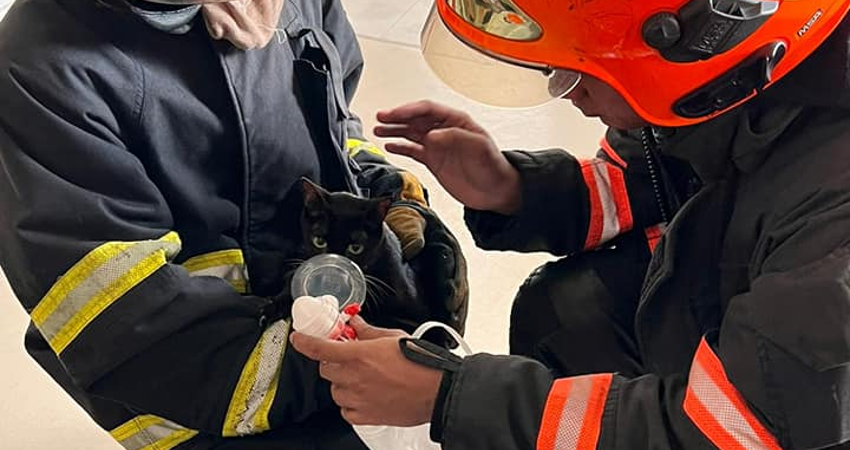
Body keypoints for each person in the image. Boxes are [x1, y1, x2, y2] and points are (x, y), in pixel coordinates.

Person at [291, 1, 850, 449]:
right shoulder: (720, 88)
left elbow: (732, 429)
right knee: (562, 311)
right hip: (745, 325)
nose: (572, 94)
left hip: (786, 413)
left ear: (698, 36)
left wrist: (450, 397)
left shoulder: (834, 216)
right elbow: (650, 179)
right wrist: (513, 187)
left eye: (581, 70)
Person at [0, 0, 468, 449]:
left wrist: (386, 193)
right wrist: (338, 369)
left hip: (338, 354)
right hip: (207, 402)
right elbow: (129, 324)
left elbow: (337, 122)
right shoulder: (43, 65)